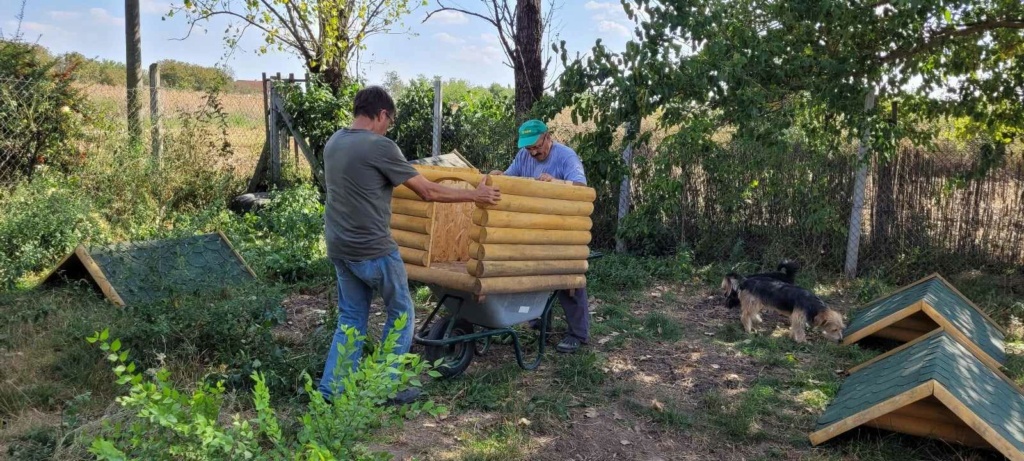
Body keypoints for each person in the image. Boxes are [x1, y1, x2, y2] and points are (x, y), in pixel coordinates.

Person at [319, 86, 501, 403]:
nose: (388, 127)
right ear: (382, 115)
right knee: (402, 314)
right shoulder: (379, 146)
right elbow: (428, 191)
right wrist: (476, 195)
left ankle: (331, 391)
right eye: (389, 121)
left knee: (350, 318)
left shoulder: (335, 141)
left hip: (339, 246)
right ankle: (383, 388)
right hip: (373, 249)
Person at [488, 119, 590, 353]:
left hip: (566, 232)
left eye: (536, 146)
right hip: (534, 232)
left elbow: (582, 189)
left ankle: (578, 334)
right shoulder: (523, 157)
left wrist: (557, 183)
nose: (533, 152)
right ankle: (538, 323)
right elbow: (510, 180)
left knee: (568, 279)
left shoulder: (566, 156)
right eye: (529, 148)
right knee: (530, 274)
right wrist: (499, 176)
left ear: (547, 137)